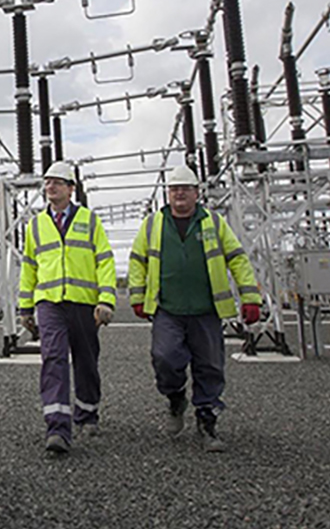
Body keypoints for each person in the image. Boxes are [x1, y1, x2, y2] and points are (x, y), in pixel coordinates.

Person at [127, 164, 262, 452]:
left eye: (185, 189)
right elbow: (137, 260)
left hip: (206, 309)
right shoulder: (153, 225)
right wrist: (137, 297)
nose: (179, 195)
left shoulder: (212, 222)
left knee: (210, 366)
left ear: (196, 193)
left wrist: (250, 297)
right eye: (175, 189)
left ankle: (207, 421)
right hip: (167, 309)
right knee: (164, 358)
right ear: (168, 193)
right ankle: (175, 398)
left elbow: (236, 257)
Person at [19, 160, 117, 454]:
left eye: (57, 182)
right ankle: (58, 428)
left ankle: (87, 413)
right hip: (50, 304)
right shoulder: (35, 225)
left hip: (84, 304)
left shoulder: (89, 220)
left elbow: (105, 260)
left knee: (86, 360)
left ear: (71, 188)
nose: (50, 187)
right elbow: (29, 268)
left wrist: (106, 299)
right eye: (47, 182)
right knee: (54, 359)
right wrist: (25, 308)